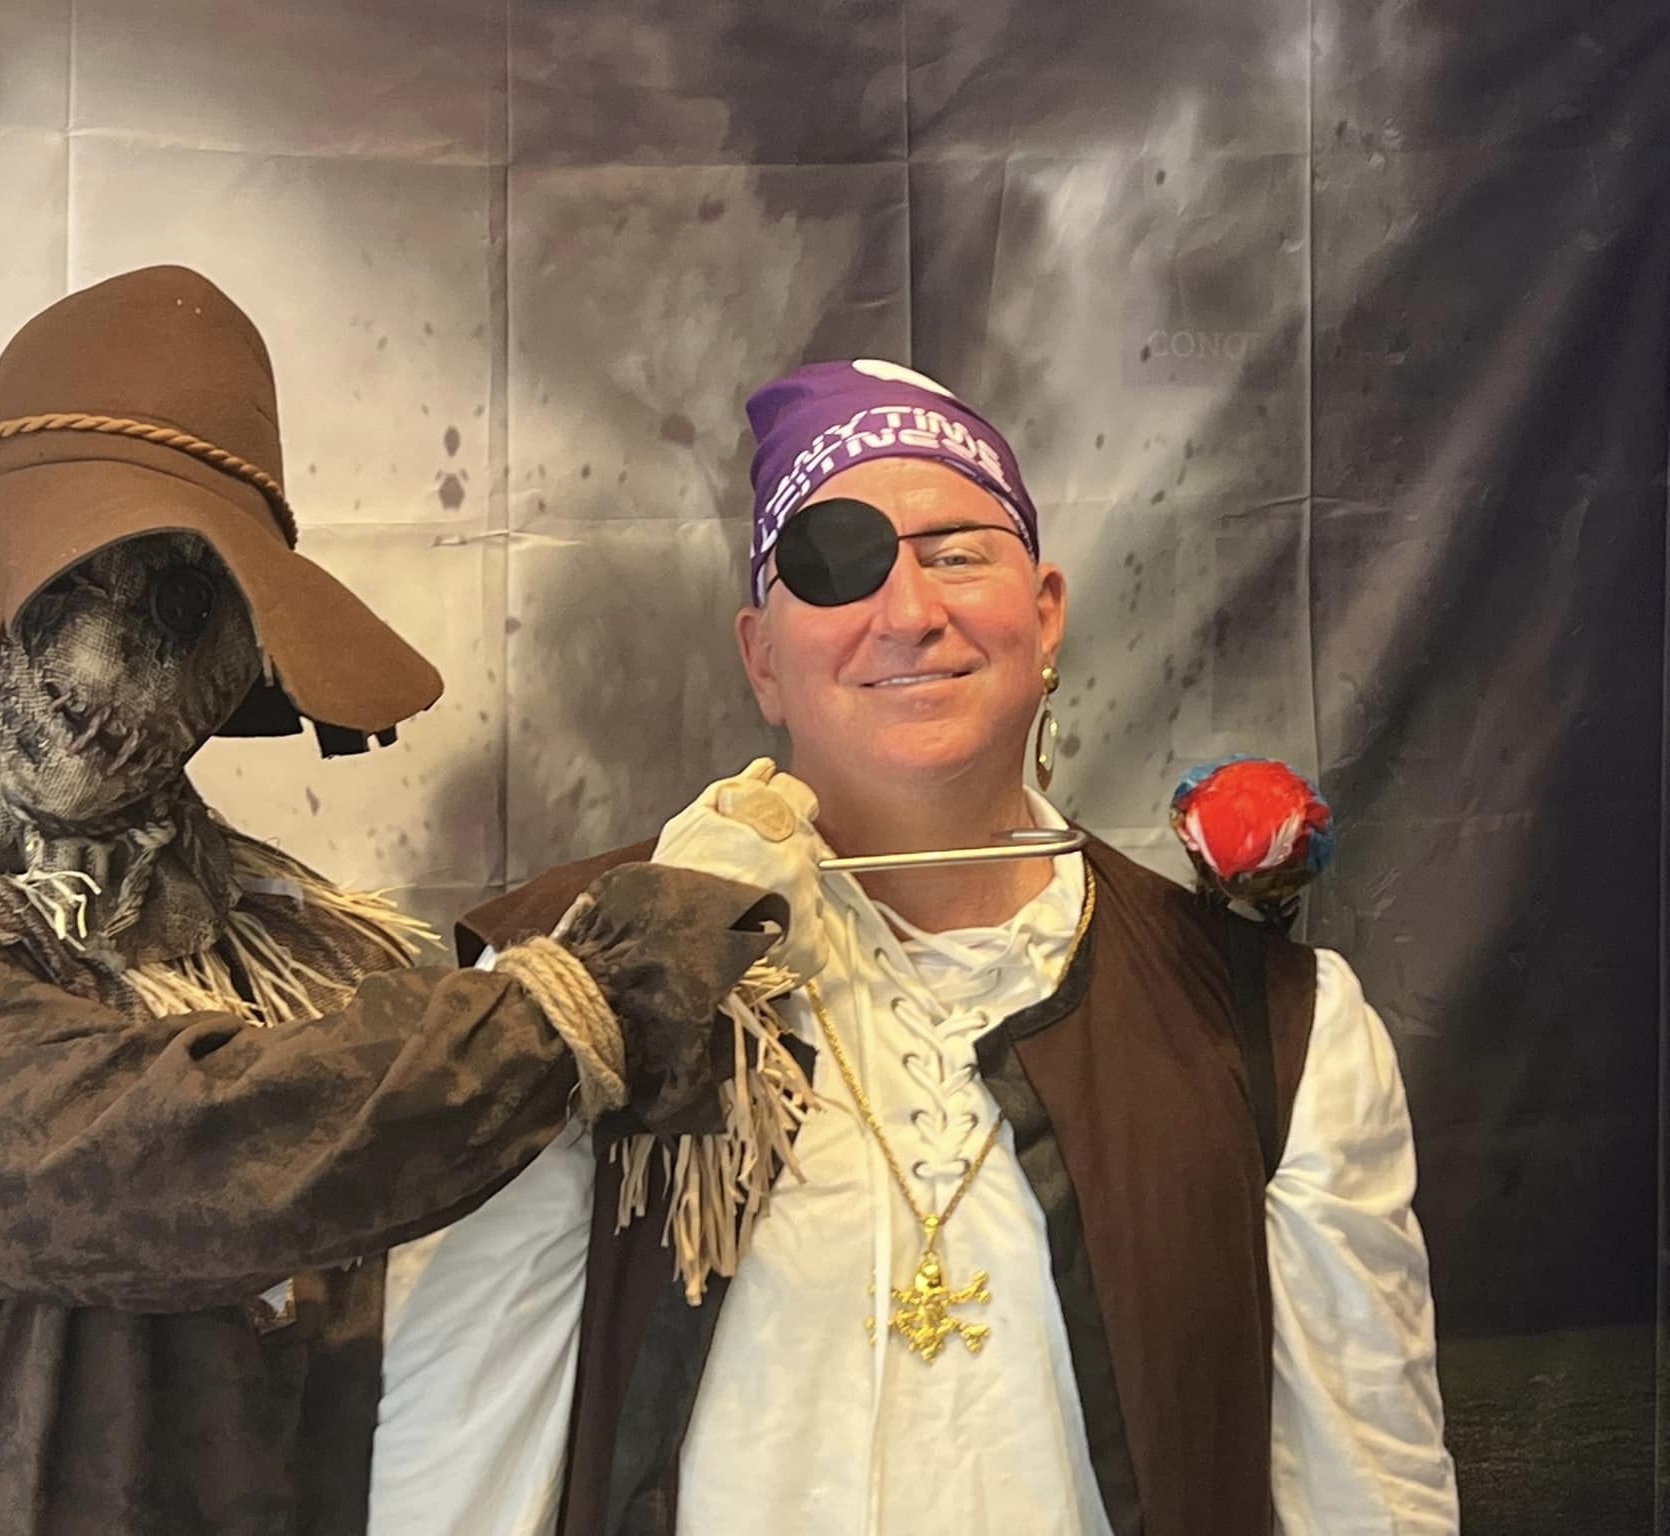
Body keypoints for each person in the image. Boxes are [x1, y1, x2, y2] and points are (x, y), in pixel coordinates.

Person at [0, 267, 788, 1536]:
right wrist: (563, 1011)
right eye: (64, 582)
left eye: (182, 602)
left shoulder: (310, 961)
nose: (104, 661)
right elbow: (131, 1170)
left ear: (249, 650)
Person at [370, 359, 1459, 1535]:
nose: (906, 613)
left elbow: (1368, 1495)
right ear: (761, 657)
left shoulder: (1272, 1026)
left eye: (955, 554)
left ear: (1044, 611)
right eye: (834, 566)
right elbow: (456, 1472)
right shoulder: (570, 989)